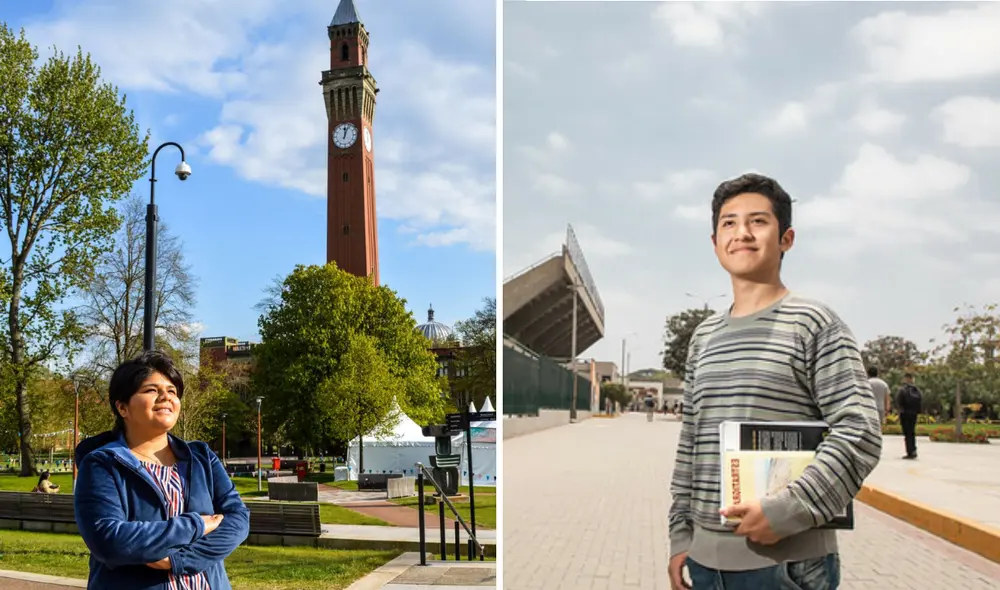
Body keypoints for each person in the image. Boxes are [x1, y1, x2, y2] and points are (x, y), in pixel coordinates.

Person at [667, 173, 883, 590]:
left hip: (789, 566)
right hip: (705, 565)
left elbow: (860, 432)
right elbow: (691, 442)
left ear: (787, 239)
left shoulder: (815, 323)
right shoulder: (703, 337)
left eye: (758, 222)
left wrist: (788, 510)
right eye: (728, 223)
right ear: (714, 242)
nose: (741, 234)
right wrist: (681, 535)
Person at [74, 350, 250, 589]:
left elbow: (237, 519)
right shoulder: (102, 464)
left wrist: (178, 560)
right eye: (151, 390)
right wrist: (196, 525)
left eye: (172, 391)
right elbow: (110, 540)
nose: (165, 397)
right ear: (122, 407)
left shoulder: (201, 457)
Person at [895, 372, 922, 459]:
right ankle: (913, 450)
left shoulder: (903, 389)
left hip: (905, 413)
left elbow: (899, 401)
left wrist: (900, 411)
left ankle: (910, 451)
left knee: (907, 433)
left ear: (906, 379)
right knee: (912, 432)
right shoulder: (917, 390)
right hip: (913, 414)